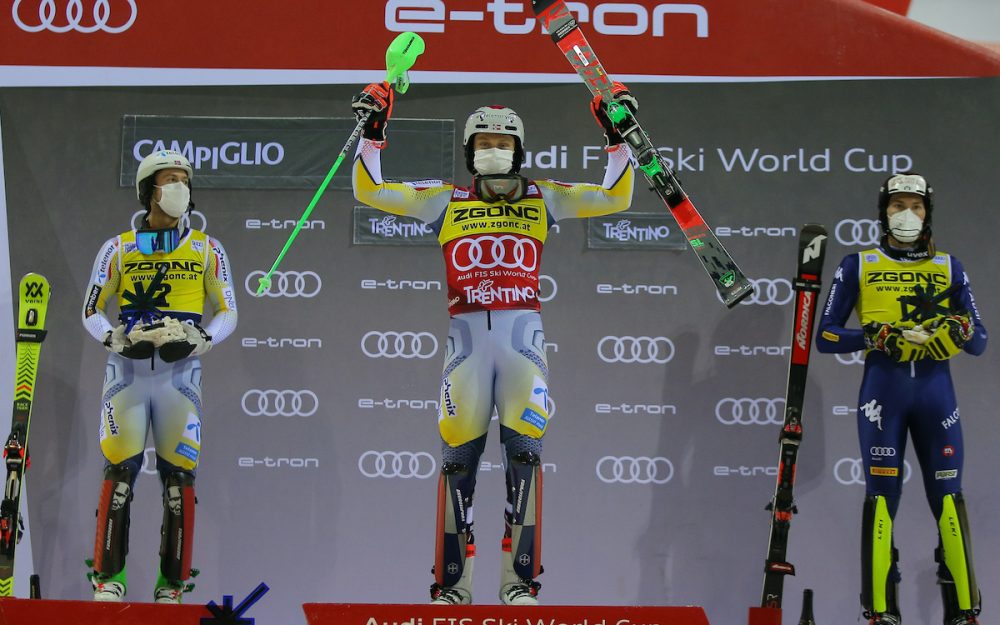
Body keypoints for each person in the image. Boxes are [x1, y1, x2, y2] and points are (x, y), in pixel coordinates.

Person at [351, 82, 636, 605]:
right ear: (469, 151)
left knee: (524, 454)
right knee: (458, 458)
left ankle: (519, 582)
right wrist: (374, 132)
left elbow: (617, 197)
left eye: (504, 142)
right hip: (465, 342)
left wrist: (616, 138)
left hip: (522, 338)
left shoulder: (543, 196)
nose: (494, 149)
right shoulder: (446, 199)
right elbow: (370, 191)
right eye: (483, 141)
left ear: (519, 151)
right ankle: (453, 586)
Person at [816, 172, 986, 625]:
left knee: (949, 498)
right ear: (883, 212)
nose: (907, 215)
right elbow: (827, 336)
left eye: (916, 206)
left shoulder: (950, 267)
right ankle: (879, 613)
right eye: (897, 206)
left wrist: (958, 328)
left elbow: (980, 340)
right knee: (881, 499)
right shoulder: (859, 265)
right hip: (883, 399)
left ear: (928, 213)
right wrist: (876, 335)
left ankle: (964, 612)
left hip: (936, 398)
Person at [81, 149, 238, 603]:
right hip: (127, 372)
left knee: (179, 481)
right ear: (150, 189)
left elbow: (228, 311)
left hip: (181, 375)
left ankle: (171, 586)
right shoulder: (118, 247)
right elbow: (91, 310)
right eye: (171, 179)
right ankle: (109, 580)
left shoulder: (209, 248)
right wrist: (112, 338)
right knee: (119, 476)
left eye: (185, 180)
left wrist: (203, 340)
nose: (180, 188)